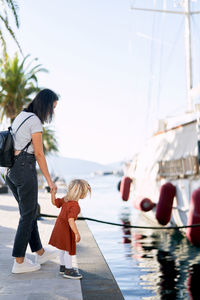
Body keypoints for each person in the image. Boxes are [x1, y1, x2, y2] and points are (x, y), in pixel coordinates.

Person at [6, 89, 59, 274]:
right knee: (27, 215)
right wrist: (50, 182)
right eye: (52, 107)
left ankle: (40, 252)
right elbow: (38, 153)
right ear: (45, 105)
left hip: (11, 171)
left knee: (29, 212)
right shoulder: (35, 121)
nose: (52, 112)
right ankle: (19, 262)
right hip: (24, 169)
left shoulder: (21, 115)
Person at [49, 179, 91, 279]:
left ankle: (62, 267)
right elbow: (70, 220)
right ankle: (68, 270)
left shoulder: (66, 199)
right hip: (66, 229)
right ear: (81, 194)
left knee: (62, 249)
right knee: (68, 249)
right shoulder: (75, 206)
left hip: (59, 226)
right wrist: (76, 233)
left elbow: (55, 202)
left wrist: (53, 194)